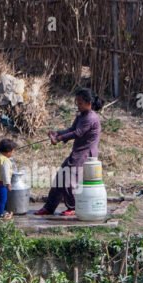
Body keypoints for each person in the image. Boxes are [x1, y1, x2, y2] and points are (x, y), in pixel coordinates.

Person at [35, 88, 103, 217]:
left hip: (85, 154)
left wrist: (59, 139)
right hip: (77, 152)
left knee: (69, 180)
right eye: (77, 102)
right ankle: (49, 207)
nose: (78, 105)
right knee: (60, 178)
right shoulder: (81, 115)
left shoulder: (91, 118)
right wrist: (57, 133)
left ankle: (72, 208)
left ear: (89, 103)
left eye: (80, 103)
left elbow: (78, 133)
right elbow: (71, 129)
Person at [0, 138, 17, 220]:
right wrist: (8, 184)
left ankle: (1, 211)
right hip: (1, 183)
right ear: (8, 152)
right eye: (12, 151)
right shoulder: (5, 160)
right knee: (2, 199)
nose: (13, 153)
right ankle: (0, 214)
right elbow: (5, 174)